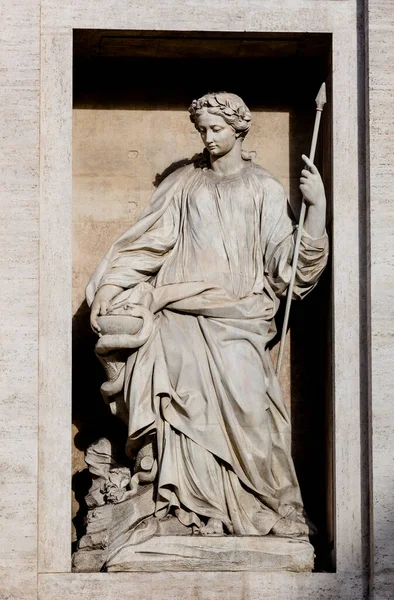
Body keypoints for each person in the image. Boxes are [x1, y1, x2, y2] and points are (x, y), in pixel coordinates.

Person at [86, 92, 329, 537]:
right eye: (202, 130)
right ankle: (183, 508)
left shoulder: (264, 188)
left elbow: (289, 268)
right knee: (176, 397)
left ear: (239, 129)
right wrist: (111, 283)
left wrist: (316, 213)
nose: (208, 137)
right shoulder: (184, 184)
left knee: (250, 403)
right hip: (178, 312)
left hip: (239, 316)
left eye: (216, 129)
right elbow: (147, 243)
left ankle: (262, 502)